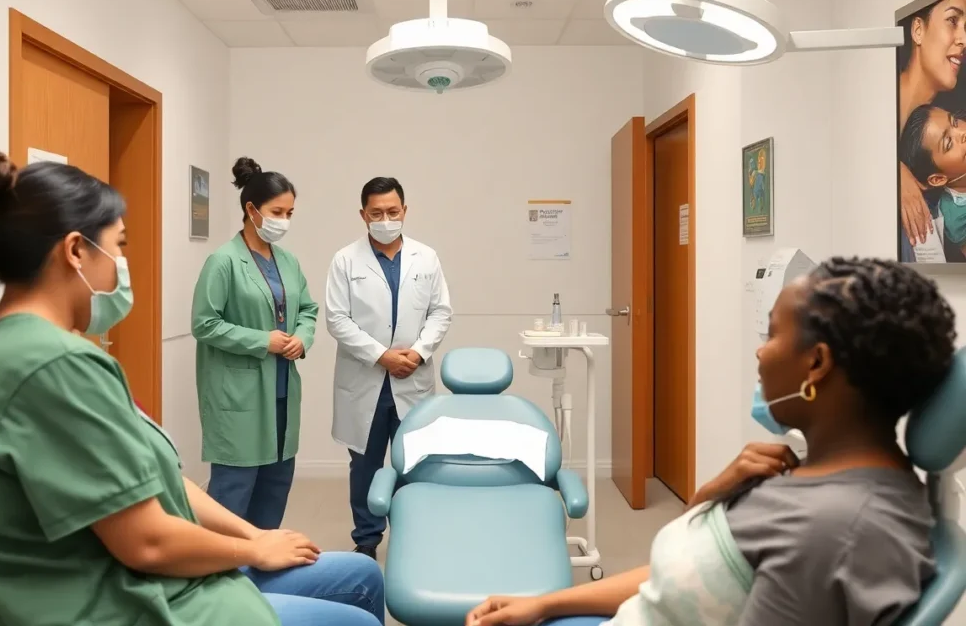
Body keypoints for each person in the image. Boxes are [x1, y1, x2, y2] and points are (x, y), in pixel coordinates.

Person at [0, 153, 383, 626]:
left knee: (362, 573)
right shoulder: (52, 366)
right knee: (356, 608)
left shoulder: (20, 348)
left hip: (150, 576)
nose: (123, 265)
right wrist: (251, 546)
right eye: (120, 245)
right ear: (75, 251)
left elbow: (161, 480)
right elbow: (147, 542)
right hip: (132, 599)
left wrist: (254, 538)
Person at [468, 257, 948, 626]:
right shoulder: (807, 475)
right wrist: (544, 605)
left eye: (772, 333)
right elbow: (691, 577)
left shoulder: (831, 530)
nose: (760, 351)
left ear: (816, 365)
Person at [325, 177, 453, 559]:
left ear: (405, 211)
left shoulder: (425, 257)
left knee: (414, 461)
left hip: (411, 376)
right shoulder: (346, 259)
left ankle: (413, 532)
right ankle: (367, 539)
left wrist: (417, 352)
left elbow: (440, 311)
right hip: (365, 379)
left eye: (392, 212)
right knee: (364, 465)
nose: (385, 219)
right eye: (377, 213)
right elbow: (337, 318)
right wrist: (381, 355)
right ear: (363, 215)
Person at [192, 157, 318, 531]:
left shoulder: (288, 262)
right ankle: (221, 576)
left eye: (290, 212)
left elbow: (308, 309)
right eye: (277, 211)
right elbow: (204, 324)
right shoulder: (224, 262)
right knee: (234, 493)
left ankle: (264, 573)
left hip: (281, 392)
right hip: (240, 396)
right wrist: (264, 341)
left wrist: (301, 338)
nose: (284, 220)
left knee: (275, 487)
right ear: (251, 209)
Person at [897, 0, 966, 252]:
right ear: (917, 30)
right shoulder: (873, 104)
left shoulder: (951, 105)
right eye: (952, 21)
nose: (964, 38)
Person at [901, 104, 966, 260]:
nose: (962, 133)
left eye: (955, 122)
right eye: (949, 143)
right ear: (938, 179)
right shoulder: (956, 218)